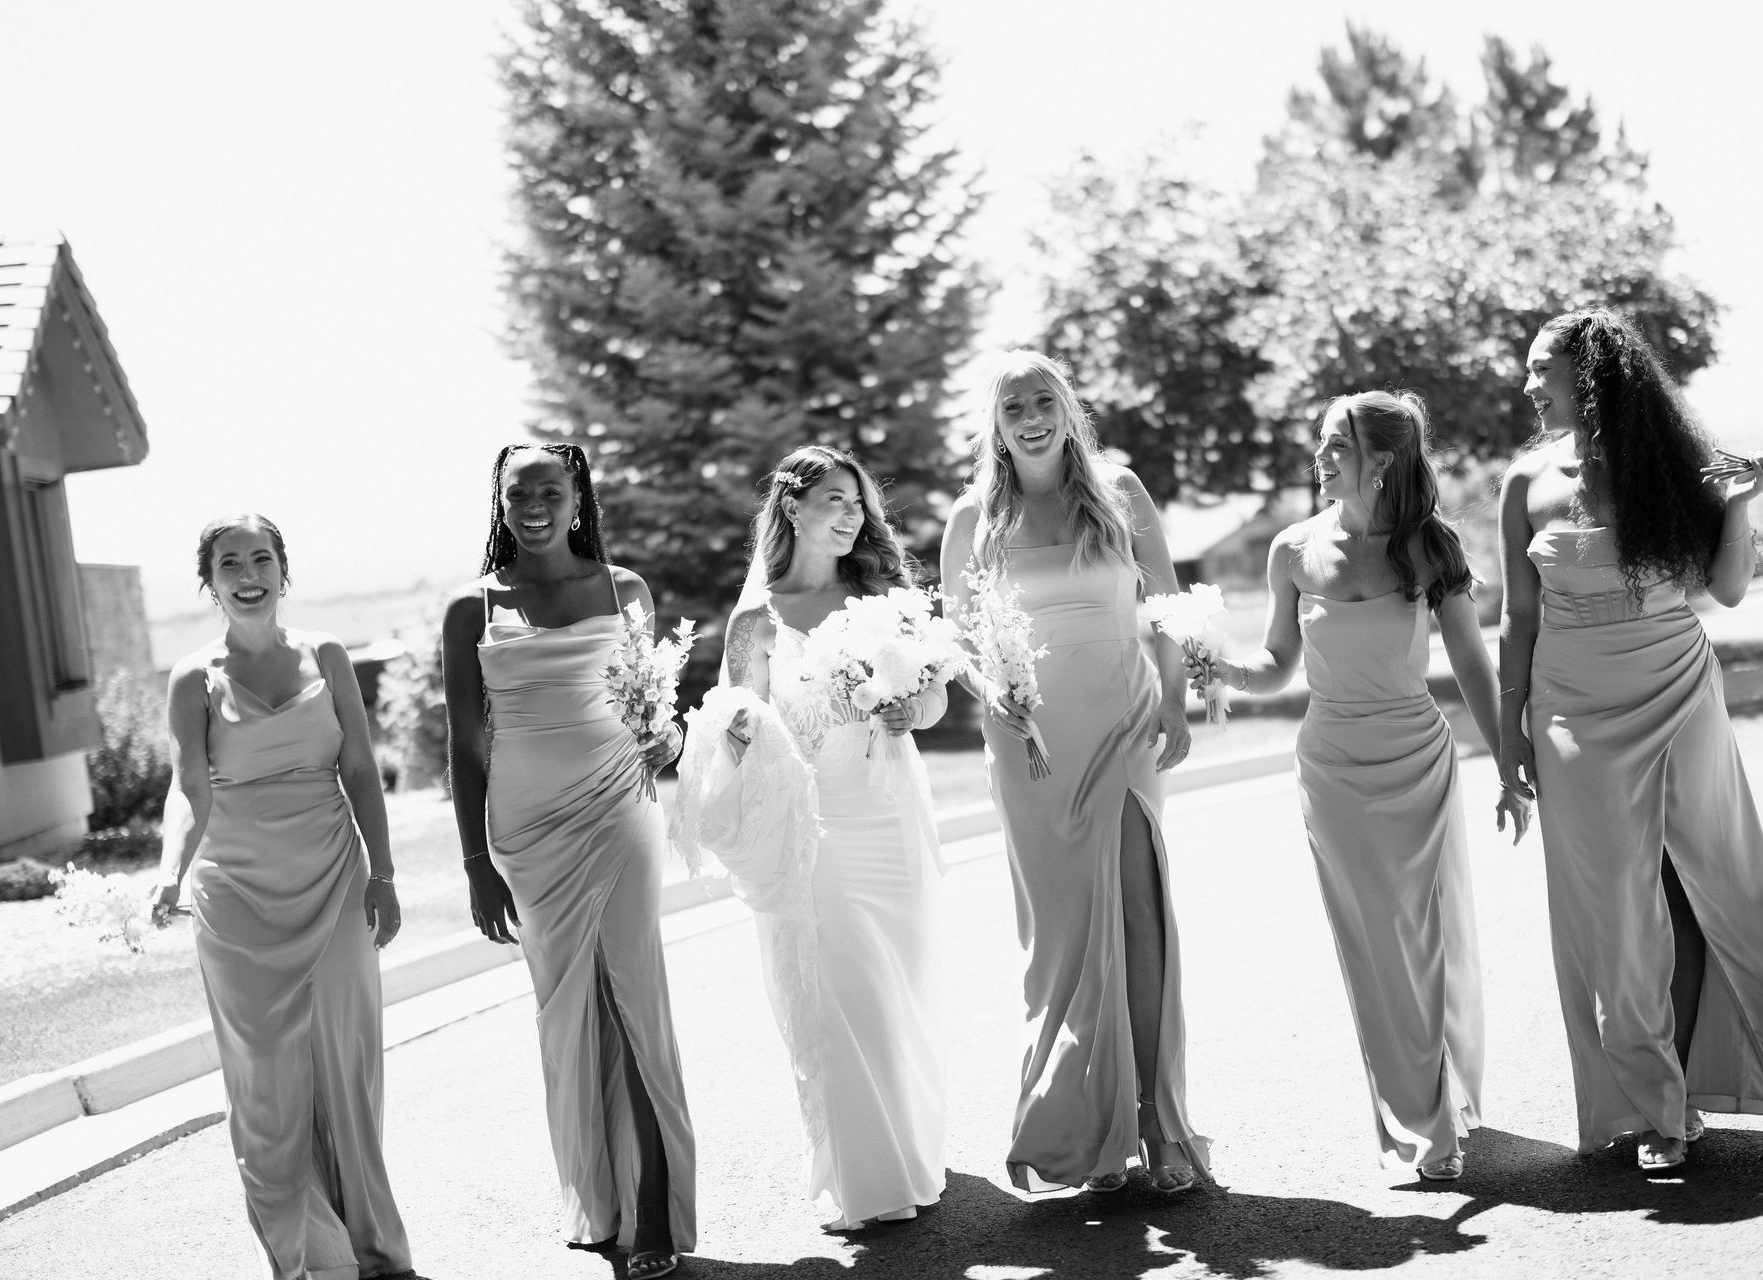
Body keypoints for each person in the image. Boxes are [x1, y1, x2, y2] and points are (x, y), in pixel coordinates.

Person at [1499, 307, 1763, 1170]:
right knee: (1614, 910)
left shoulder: (1675, 467)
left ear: (1594, 377)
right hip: (1570, 707)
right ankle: (1656, 1107)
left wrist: (1741, 504)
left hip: (1679, 687)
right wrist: (1510, 736)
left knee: (1719, 884)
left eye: (1544, 369)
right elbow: (1517, 617)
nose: (1529, 384)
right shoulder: (1523, 481)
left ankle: (1708, 1090)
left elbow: (1725, 591)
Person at [1193, 391, 1528, 1181]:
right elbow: (1278, 663)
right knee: (1371, 944)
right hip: (1332, 770)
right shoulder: (1290, 551)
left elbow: (1473, 665)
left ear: (1379, 460)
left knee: (1423, 938)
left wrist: (1509, 764)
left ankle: (1439, 1096)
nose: (1317, 459)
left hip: (1417, 759)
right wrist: (1225, 667)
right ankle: (1420, 1121)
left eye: (1332, 447)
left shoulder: (1430, 548)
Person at [939, 350, 1210, 1195]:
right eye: (1013, 403)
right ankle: (1091, 1134)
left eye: (1043, 398)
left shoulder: (1120, 492)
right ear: (994, 423)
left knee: (1138, 915)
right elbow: (957, 640)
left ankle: (1160, 1127)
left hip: (1123, 724)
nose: (1030, 414)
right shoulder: (972, 519)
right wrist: (992, 692)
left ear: (1067, 409)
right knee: (1062, 938)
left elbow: (1163, 603)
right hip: (1029, 745)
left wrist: (1173, 699)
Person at [672, 445, 948, 1232]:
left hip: (888, 807)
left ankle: (909, 1141)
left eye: (859, 503)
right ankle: (864, 1176)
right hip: (813, 823)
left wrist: (906, 712)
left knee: (897, 983)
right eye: (836, 498)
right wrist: (721, 735)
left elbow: (930, 705)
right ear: (792, 508)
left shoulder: (884, 595)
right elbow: (741, 727)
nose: (853, 514)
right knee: (834, 988)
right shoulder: (757, 621)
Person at [441, 443, 695, 1277]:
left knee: (632, 1002)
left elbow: (655, 714)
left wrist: (670, 742)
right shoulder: (471, 609)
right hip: (527, 833)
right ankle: (599, 1199)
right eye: (520, 493)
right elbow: (466, 743)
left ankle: (654, 1213)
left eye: (552, 489)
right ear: (500, 505)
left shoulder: (625, 592)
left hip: (619, 811)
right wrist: (477, 861)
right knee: (567, 1014)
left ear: (577, 497)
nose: (536, 505)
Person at [151, 513, 413, 1280]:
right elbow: (187, 787)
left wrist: (385, 873)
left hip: (334, 880)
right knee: (265, 1084)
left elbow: (361, 769)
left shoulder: (327, 655)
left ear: (282, 569)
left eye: (260, 557)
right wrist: (170, 871)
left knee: (347, 1069)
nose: (247, 572)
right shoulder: (192, 679)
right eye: (230, 561)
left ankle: (373, 1250)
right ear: (210, 580)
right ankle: (310, 1259)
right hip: (235, 898)